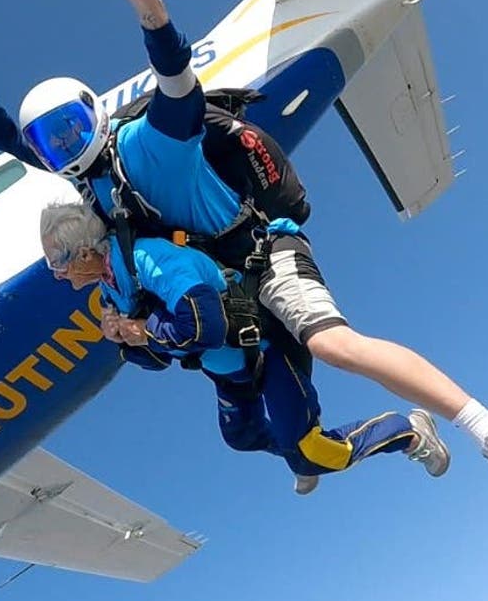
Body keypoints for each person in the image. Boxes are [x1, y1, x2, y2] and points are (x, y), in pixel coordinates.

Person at [0, 0, 488, 506]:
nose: (61, 148)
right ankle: (305, 445)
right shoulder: (95, 199)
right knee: (259, 432)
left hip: (264, 251)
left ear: (94, 114)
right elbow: (11, 142)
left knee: (334, 343)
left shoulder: (146, 142)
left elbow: (177, 86)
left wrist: (151, 11)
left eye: (69, 130)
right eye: (50, 143)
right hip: (228, 291)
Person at [39, 200, 449, 494]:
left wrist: (142, 330)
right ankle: (295, 448)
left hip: (267, 349)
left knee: (314, 454)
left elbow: (205, 326)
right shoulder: (112, 292)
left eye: (58, 263)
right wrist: (123, 340)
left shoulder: (148, 259)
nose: (57, 275)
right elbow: (160, 358)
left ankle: (406, 431)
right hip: (229, 370)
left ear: (85, 252)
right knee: (243, 435)